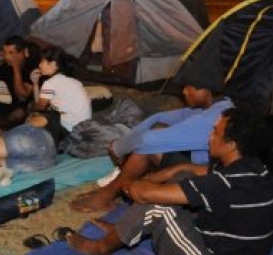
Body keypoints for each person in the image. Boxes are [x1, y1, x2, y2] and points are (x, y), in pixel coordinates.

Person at [67, 108, 273, 255]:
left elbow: (144, 194)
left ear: (231, 144)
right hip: (227, 250)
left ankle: (102, 248)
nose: (209, 136)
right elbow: (187, 168)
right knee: (182, 178)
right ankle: (125, 230)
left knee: (159, 207)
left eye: (215, 132)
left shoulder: (226, 182)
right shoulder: (250, 167)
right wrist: (152, 178)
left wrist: (129, 184)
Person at [70, 79, 233, 213]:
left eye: (191, 87)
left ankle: (111, 192)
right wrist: (123, 143)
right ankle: (125, 180)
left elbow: (147, 140)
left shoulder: (215, 116)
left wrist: (118, 148)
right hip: (201, 163)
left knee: (148, 146)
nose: (184, 91)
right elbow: (159, 117)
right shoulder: (218, 104)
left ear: (208, 92)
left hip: (213, 176)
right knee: (158, 128)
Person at [0, 112, 63, 189]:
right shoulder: (60, 128)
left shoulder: (48, 117)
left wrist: (24, 124)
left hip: (37, 140)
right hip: (46, 160)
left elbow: (37, 122)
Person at [29, 46, 91, 135]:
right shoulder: (71, 80)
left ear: (53, 64)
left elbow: (39, 107)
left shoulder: (51, 83)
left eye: (42, 61)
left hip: (70, 129)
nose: (39, 65)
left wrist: (31, 112)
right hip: (84, 127)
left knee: (33, 117)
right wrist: (35, 83)